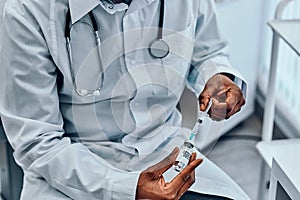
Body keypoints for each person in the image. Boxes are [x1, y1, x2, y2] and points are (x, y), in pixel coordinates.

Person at [0, 0, 249, 199]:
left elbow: (208, 49)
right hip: (72, 174)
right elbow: (38, 140)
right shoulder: (28, 10)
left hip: (165, 151)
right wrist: (124, 188)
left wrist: (217, 76)